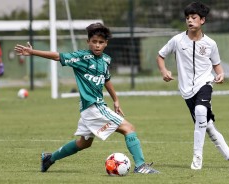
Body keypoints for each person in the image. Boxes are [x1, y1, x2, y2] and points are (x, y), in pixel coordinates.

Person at [14, 23, 159, 174]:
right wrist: (32, 52)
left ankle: (49, 158)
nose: (97, 45)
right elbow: (58, 56)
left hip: (90, 109)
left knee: (84, 143)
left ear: (106, 43)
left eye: (101, 42)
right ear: (88, 41)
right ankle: (141, 166)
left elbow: (106, 79)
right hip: (93, 107)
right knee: (128, 128)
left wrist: (116, 100)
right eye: (94, 41)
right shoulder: (81, 57)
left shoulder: (106, 60)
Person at [156, 2, 229, 170]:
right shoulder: (177, 40)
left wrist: (221, 74)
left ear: (202, 20)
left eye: (193, 17)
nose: (190, 20)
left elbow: (217, 65)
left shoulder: (210, 43)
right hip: (186, 91)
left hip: (205, 83)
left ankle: (197, 159)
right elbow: (160, 56)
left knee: (201, 111)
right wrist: (164, 70)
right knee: (208, 126)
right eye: (187, 18)